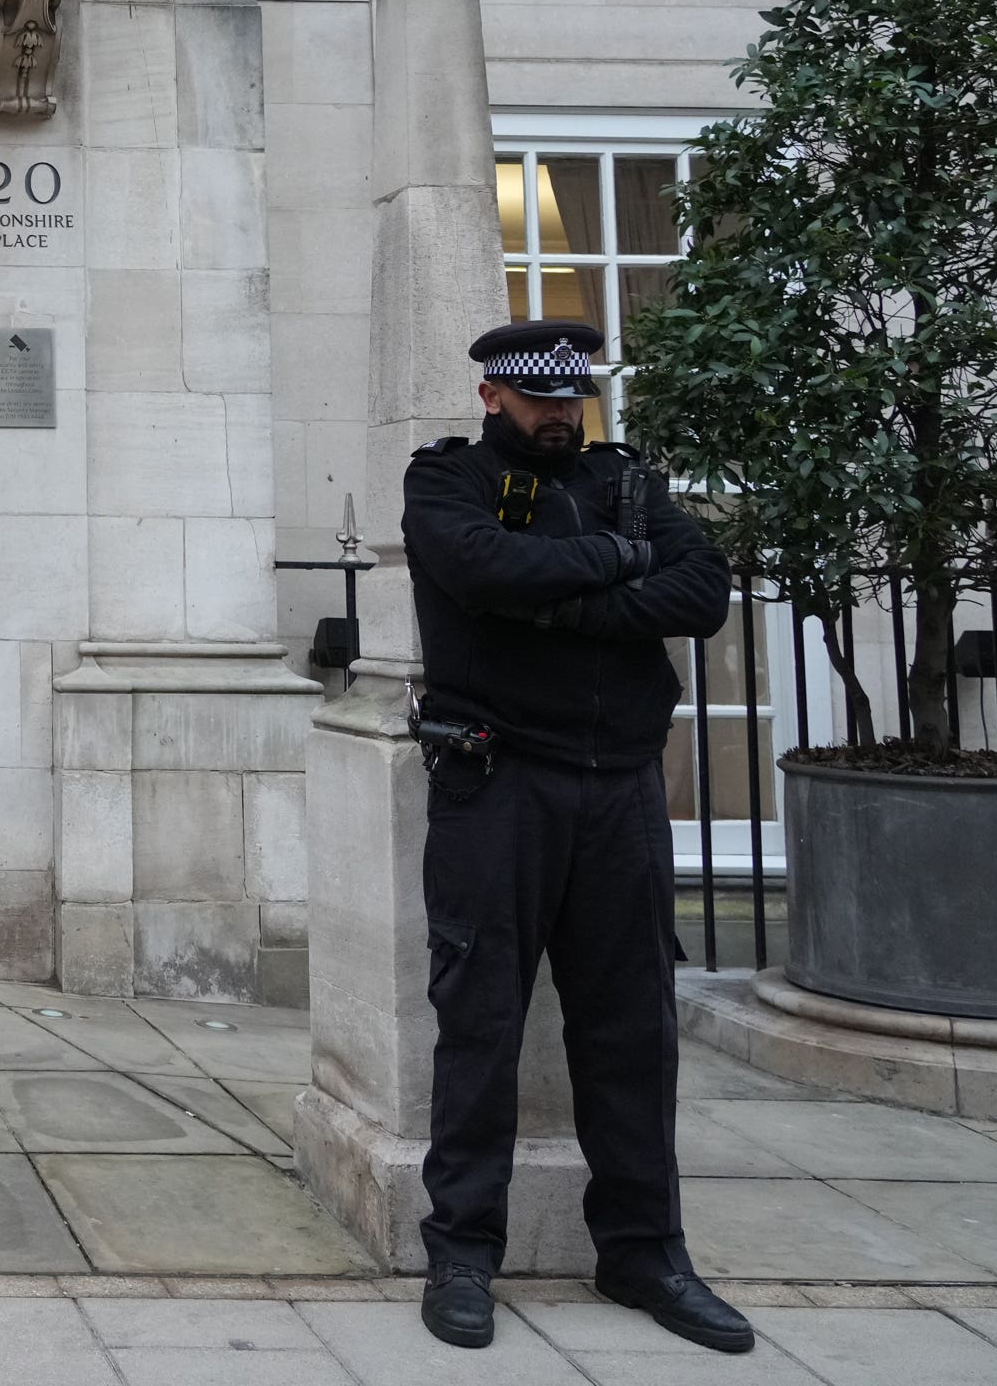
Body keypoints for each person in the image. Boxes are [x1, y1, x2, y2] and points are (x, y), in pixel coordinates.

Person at [400, 318, 753, 1357]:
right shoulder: (446, 481)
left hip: (619, 789)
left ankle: (644, 1249)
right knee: (481, 1021)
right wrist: (611, 570)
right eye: (540, 397)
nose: (561, 412)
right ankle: (463, 1249)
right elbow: (478, 571)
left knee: (633, 1030)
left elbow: (702, 593)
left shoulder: (628, 481)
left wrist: (564, 595)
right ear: (492, 396)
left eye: (573, 396)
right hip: (496, 778)